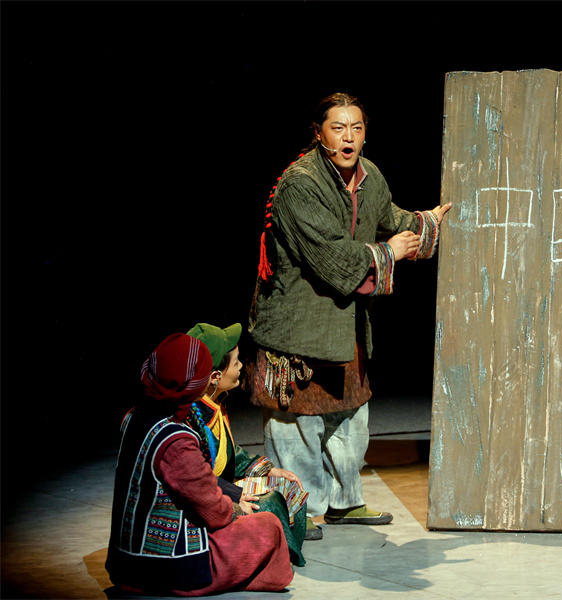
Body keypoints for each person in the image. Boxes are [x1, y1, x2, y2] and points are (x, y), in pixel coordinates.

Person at [246, 92, 452, 540]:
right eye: (338, 128)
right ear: (318, 133)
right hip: (299, 327)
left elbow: (389, 217)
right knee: (297, 426)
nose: (348, 137)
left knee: (351, 419)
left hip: (344, 326)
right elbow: (332, 258)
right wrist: (388, 252)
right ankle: (294, 511)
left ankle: (344, 501)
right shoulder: (300, 185)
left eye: (356, 128)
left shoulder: (369, 175)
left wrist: (427, 223)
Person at [106, 333, 294, 596]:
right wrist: (237, 509)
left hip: (124, 563)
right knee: (268, 526)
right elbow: (212, 510)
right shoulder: (176, 440)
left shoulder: (133, 417)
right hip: (168, 569)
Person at [186, 322, 308, 566]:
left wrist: (267, 469)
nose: (241, 366)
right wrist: (237, 495)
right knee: (269, 502)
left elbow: (228, 454)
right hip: (211, 497)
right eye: (235, 363)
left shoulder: (214, 405)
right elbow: (198, 479)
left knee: (289, 486)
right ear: (215, 377)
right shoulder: (192, 418)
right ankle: (276, 560)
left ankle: (283, 555)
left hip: (222, 487)